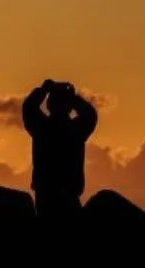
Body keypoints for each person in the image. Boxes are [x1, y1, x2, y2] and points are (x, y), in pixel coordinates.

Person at [22, 79, 98, 219]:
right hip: (69, 198)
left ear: (49, 105)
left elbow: (28, 108)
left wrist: (44, 90)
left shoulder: (41, 128)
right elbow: (90, 115)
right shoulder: (75, 130)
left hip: (45, 199)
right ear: (69, 107)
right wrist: (73, 98)